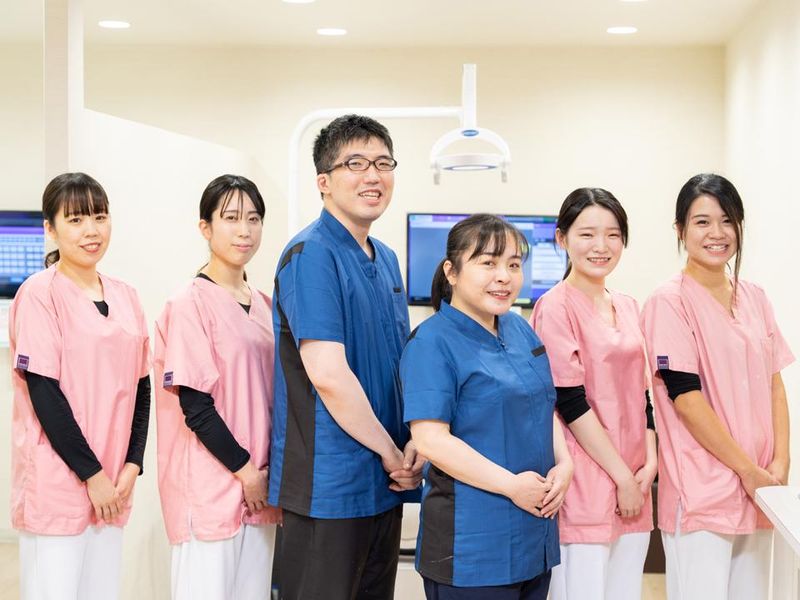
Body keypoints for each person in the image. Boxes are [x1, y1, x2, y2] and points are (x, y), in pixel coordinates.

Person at [269, 114, 424, 600]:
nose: (372, 175)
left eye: (383, 163)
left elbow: (399, 366)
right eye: (355, 163)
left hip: (385, 482)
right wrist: (391, 453)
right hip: (329, 487)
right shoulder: (311, 254)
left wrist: (414, 445)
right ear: (324, 181)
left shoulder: (387, 260)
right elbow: (329, 375)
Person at [401, 213, 571, 600]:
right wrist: (512, 486)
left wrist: (565, 464)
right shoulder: (432, 342)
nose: (504, 276)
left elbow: (542, 402)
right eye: (488, 263)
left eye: (513, 265)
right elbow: (430, 440)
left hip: (534, 537)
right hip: (472, 550)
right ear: (452, 272)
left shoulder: (520, 328)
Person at [640, 173, 793, 600]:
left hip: (761, 489)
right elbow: (686, 400)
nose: (718, 233)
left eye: (728, 220)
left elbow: (775, 385)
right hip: (703, 491)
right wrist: (747, 470)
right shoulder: (669, 301)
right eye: (703, 222)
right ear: (680, 230)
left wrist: (780, 462)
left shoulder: (755, 297)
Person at [8, 172, 151, 600]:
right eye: (75, 220)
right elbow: (44, 393)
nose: (91, 230)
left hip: (113, 484)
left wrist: (132, 464)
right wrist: (93, 476)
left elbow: (141, 386)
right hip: (61, 483)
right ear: (50, 229)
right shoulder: (39, 294)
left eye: (99, 217)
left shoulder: (127, 296)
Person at [154, 175, 281, 600]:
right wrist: (246, 473)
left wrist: (262, 478)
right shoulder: (189, 303)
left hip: (260, 493)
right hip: (213, 490)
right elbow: (196, 407)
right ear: (205, 227)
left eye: (254, 219)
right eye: (231, 218)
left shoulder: (264, 305)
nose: (245, 230)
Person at [530, 189, 656, 600]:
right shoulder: (555, 307)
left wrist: (650, 463)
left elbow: (643, 395)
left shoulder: (629, 306)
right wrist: (622, 477)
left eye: (613, 234)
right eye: (587, 234)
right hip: (587, 485)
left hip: (635, 480)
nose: (601, 246)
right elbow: (569, 402)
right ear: (561, 238)